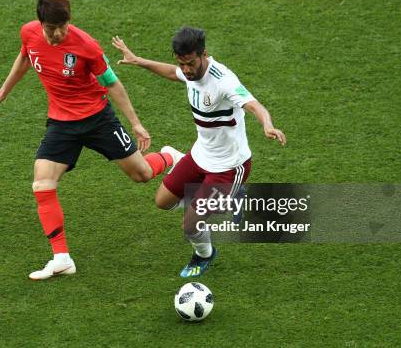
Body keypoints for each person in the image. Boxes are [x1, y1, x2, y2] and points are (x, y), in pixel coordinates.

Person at [0, 0, 177, 280]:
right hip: (61, 124)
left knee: (142, 175)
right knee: (42, 182)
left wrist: (135, 123)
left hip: (98, 120)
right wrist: (2, 92)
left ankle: (171, 155)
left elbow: (112, 83)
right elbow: (24, 57)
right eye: (51, 28)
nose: (58, 34)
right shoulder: (29, 34)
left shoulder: (86, 45)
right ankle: (62, 258)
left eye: (63, 27)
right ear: (40, 22)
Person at [112, 27, 286, 278]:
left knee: (191, 224)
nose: (186, 70)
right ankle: (211, 188)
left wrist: (267, 124)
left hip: (229, 166)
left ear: (204, 55)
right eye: (181, 63)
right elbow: (172, 73)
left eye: (191, 63)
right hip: (200, 155)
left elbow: (254, 105)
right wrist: (138, 60)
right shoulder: (188, 71)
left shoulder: (223, 81)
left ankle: (204, 254)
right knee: (162, 201)